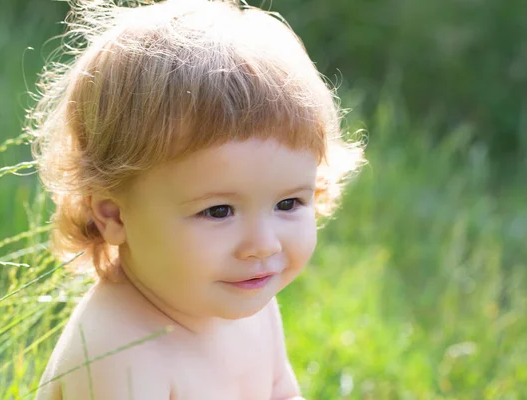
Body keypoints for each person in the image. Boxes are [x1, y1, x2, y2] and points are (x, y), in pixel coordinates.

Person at [29, 0, 364, 398]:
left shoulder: (249, 299)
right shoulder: (118, 352)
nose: (263, 245)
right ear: (114, 215)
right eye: (219, 211)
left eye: (287, 204)